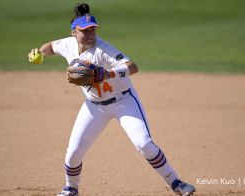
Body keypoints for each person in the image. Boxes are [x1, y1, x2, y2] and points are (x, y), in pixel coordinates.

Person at [28, 3, 195, 196]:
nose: (91, 34)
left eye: (93, 30)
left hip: (124, 102)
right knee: (73, 153)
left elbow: (132, 67)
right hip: (94, 106)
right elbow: (50, 47)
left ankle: (176, 182)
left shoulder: (103, 50)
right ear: (74, 32)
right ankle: (70, 189)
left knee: (143, 144)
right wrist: (40, 53)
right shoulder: (67, 44)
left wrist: (106, 73)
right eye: (86, 30)